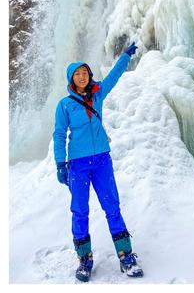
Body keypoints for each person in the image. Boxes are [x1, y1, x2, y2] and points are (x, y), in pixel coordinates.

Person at [53, 43, 143, 282]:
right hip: (78, 164)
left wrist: (125, 57)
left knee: (112, 206)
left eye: (85, 72)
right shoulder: (65, 105)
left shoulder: (98, 93)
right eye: (77, 74)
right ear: (71, 79)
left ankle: (126, 256)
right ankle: (85, 260)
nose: (82, 76)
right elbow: (60, 134)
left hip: (102, 160)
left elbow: (113, 76)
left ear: (89, 76)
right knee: (80, 210)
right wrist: (60, 163)